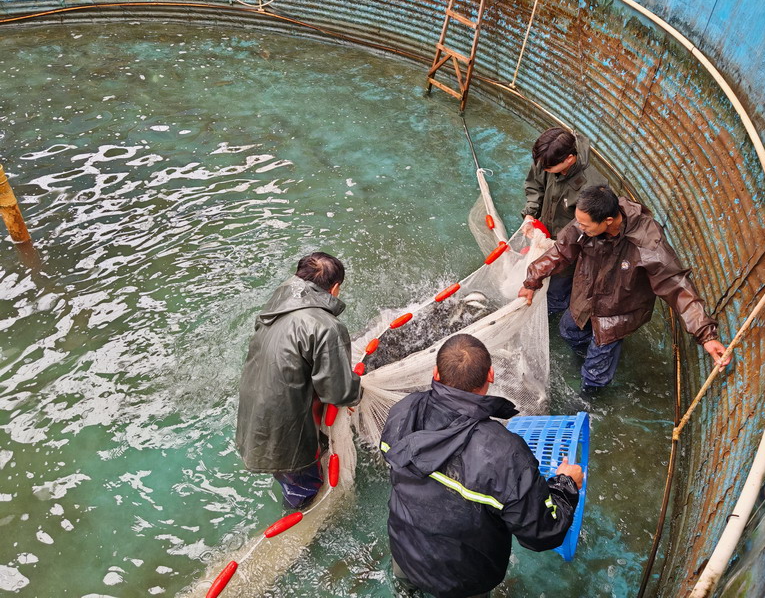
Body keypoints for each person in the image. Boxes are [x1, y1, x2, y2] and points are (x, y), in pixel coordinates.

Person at [380, 334, 583, 598]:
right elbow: (543, 532)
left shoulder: (402, 411)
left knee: (407, 589)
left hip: (405, 552)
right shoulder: (505, 453)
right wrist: (566, 484)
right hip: (463, 579)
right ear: (491, 375)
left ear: (435, 373)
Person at [518, 185, 730, 392]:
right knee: (568, 332)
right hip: (584, 299)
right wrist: (532, 281)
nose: (578, 228)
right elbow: (561, 252)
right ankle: (589, 354)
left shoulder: (648, 244)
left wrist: (706, 336)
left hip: (617, 314)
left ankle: (592, 395)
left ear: (608, 221)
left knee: (594, 377)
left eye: (585, 225)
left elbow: (676, 286)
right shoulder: (587, 221)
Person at [236, 252, 361, 509]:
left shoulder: (273, 309)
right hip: (286, 437)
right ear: (335, 288)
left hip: (252, 422)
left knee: (286, 477)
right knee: (303, 489)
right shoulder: (326, 327)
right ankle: (301, 517)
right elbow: (338, 393)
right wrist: (358, 386)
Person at [522, 127, 608, 314]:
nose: (542, 169)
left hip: (569, 249)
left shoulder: (591, 188)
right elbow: (535, 185)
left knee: (557, 290)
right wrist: (530, 213)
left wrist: (556, 247)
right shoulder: (546, 160)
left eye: (547, 168)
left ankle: (553, 308)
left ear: (569, 159)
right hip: (546, 234)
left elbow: (587, 234)